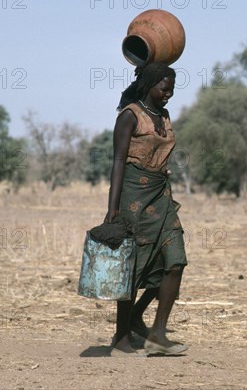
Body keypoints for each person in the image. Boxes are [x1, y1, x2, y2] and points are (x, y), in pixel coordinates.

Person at [105, 62, 188, 356]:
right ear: (149, 84)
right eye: (164, 89)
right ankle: (120, 337)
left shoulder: (163, 116)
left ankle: (157, 333)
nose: (168, 95)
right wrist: (112, 210)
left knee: (175, 260)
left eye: (172, 90)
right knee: (132, 267)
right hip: (134, 197)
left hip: (161, 195)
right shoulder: (129, 117)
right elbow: (117, 163)